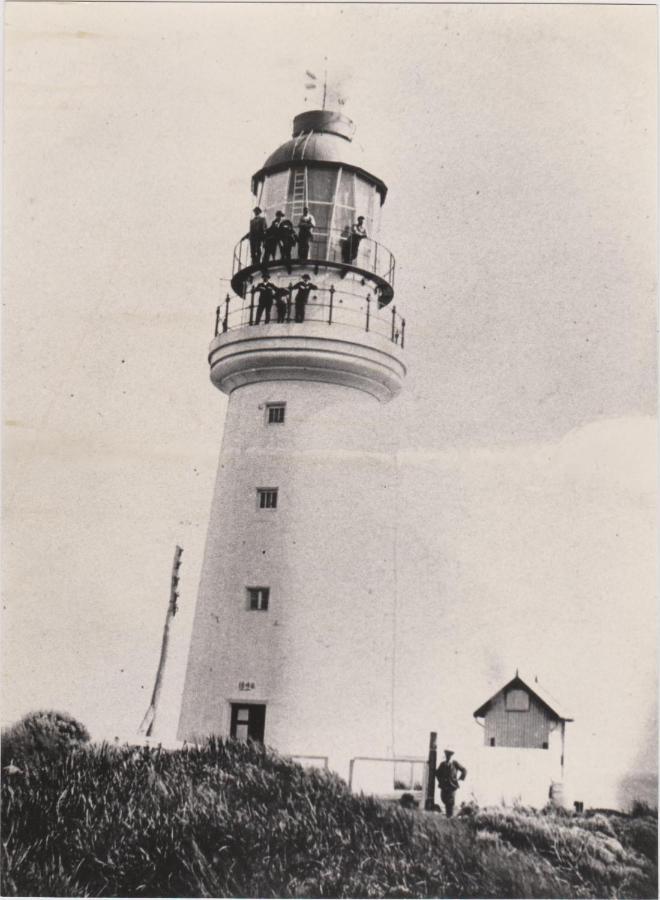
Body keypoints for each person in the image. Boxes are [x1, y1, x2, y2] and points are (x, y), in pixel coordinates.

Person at [435, 749, 467, 818]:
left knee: (450, 802)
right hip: (444, 787)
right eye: (447, 756)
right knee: (444, 799)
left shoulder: (455, 763)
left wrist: (460, 778)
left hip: (452, 786)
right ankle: (448, 815)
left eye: (449, 756)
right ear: (445, 756)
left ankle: (449, 817)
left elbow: (464, 770)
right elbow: (437, 773)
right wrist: (441, 781)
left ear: (451, 756)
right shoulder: (442, 764)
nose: (448, 757)